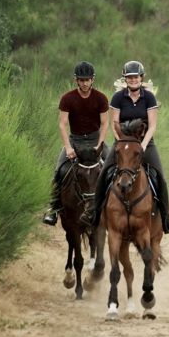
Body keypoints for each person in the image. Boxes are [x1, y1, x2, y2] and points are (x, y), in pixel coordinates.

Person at [85, 60, 169, 234]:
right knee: (104, 174)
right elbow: (115, 124)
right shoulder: (118, 97)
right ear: (125, 79)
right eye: (129, 77)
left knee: (160, 178)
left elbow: (152, 126)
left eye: (135, 77)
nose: (133, 80)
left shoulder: (149, 97)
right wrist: (120, 141)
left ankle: (166, 219)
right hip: (123, 143)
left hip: (145, 143)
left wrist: (143, 145)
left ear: (141, 78)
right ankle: (95, 214)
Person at [42, 61, 110, 226]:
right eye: (81, 80)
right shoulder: (67, 98)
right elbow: (62, 124)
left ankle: (117, 206)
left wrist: (100, 146)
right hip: (75, 140)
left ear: (92, 79)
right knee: (59, 170)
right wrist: (68, 147)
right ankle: (53, 209)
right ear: (76, 80)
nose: (84, 83)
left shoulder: (101, 98)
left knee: (112, 167)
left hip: (95, 139)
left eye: (87, 80)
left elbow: (104, 124)